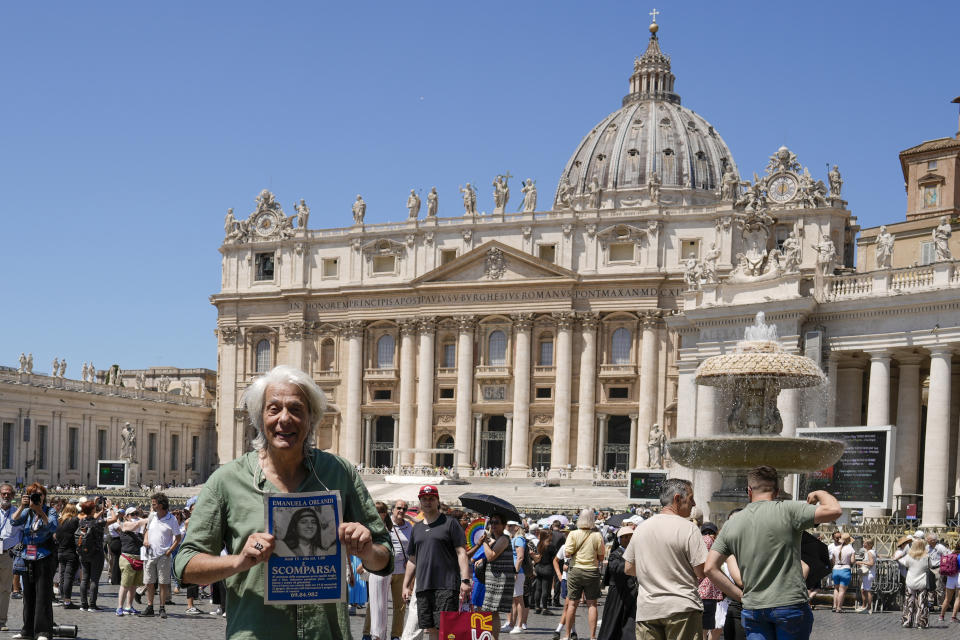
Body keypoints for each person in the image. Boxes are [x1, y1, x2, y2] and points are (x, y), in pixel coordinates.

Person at [175, 364, 393, 638]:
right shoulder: (226, 481)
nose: (284, 419)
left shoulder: (340, 473)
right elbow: (185, 566)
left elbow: (384, 558)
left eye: (296, 409)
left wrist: (366, 550)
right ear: (259, 417)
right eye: (274, 409)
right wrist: (239, 561)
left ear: (312, 418)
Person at [704, 465, 843, 640]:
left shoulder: (732, 523)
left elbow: (710, 568)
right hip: (790, 604)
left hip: (754, 607)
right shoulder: (789, 510)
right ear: (777, 491)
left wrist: (740, 595)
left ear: (749, 491)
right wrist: (819, 493)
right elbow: (835, 510)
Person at [624, 479, 707, 640]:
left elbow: (628, 567)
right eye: (690, 498)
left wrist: (653, 572)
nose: (694, 503)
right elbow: (701, 571)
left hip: (648, 609)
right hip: (682, 607)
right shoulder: (689, 528)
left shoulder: (642, 528)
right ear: (677, 498)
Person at [402, 485, 470, 640]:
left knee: (446, 630)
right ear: (420, 502)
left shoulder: (450, 523)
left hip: (446, 585)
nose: (427, 502)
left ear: (437, 501)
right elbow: (412, 559)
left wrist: (465, 580)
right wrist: (406, 585)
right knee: (430, 628)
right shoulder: (417, 528)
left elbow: (461, 553)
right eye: (424, 499)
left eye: (431, 498)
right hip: (424, 586)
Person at [12, 482, 58, 640]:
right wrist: (21, 506)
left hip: (43, 555)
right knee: (28, 594)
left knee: (42, 595)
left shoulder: (50, 510)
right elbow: (13, 521)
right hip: (27, 555)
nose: (37, 497)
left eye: (39, 494)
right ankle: (27, 630)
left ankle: (43, 631)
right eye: (33, 494)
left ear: (44, 496)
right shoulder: (27, 512)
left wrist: (40, 511)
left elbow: (52, 526)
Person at [560, 509, 604, 640]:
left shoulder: (573, 534)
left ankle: (567, 635)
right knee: (592, 604)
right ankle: (592, 636)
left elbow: (567, 554)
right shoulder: (597, 535)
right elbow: (601, 557)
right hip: (591, 570)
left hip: (576, 570)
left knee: (572, 604)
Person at [138, 492, 182, 619]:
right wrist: (145, 539)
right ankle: (150, 606)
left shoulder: (172, 519)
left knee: (163, 583)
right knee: (149, 582)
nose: (152, 506)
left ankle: (162, 607)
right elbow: (146, 530)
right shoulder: (152, 516)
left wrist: (169, 551)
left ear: (161, 505)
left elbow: (178, 538)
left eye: (154, 504)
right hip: (150, 554)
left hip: (164, 555)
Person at [598, 526, 637, 640]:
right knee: (613, 623)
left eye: (630, 537)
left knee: (630, 623)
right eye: (625, 537)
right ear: (619, 539)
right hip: (618, 594)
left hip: (632, 593)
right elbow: (616, 569)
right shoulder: (616, 554)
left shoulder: (637, 552)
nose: (628, 539)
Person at [479, 514, 515, 638]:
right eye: (492, 522)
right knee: (492, 611)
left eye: (496, 522)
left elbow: (491, 556)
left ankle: (494, 638)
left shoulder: (504, 539)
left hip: (499, 579)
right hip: (494, 578)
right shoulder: (497, 538)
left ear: (504, 525)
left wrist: (484, 542)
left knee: (493, 612)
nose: (493, 525)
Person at [76, 498, 111, 611]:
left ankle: (83, 604)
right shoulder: (98, 522)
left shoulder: (81, 520)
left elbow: (92, 517)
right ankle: (92, 605)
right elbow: (114, 519)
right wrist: (111, 508)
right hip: (96, 553)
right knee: (94, 580)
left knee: (85, 578)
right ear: (92, 510)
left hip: (84, 553)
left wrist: (98, 508)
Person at [365, 502, 393, 640]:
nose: (377, 513)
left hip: (379, 568)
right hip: (377, 568)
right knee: (377, 603)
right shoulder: (380, 528)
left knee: (378, 604)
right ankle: (379, 634)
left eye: (380, 511)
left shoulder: (382, 530)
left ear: (384, 513)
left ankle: (377, 635)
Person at [0, 484, 23, 631]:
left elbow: (23, 533)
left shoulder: (18, 513)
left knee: (5, 589)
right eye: (3, 494)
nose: (6, 496)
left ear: (13, 496)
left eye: (9, 494)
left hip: (7, 554)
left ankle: (2, 621)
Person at [389, 499, 413, 638]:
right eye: (398, 508)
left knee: (400, 606)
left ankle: (396, 635)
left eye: (404, 509)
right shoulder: (385, 524)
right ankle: (370, 633)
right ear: (392, 509)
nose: (401, 511)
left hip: (402, 571)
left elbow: (413, 547)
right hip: (385, 570)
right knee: (376, 604)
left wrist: (409, 559)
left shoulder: (409, 526)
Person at [117, 506, 145, 616]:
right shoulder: (126, 525)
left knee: (133, 585)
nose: (135, 516)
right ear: (127, 516)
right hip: (127, 557)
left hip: (138, 558)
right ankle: (119, 607)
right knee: (125, 584)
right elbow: (135, 525)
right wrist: (148, 519)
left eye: (136, 514)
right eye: (132, 514)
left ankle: (129, 606)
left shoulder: (140, 530)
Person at [699, 522, 724, 639]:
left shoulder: (699, 541)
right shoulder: (710, 541)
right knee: (706, 628)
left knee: (701, 628)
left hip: (699, 592)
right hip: (708, 593)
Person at [899, 539, 931, 629]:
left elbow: (904, 563)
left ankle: (907, 621)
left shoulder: (909, 556)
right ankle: (921, 622)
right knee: (922, 604)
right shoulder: (927, 557)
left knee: (909, 602)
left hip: (910, 581)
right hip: (922, 582)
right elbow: (931, 566)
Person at [54, 503, 80, 609]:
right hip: (71, 552)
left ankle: (64, 598)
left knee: (62, 576)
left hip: (60, 551)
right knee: (68, 576)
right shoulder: (73, 521)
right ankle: (67, 601)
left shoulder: (59, 521)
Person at [532, 527, 557, 615]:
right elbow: (555, 558)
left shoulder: (539, 544)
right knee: (546, 589)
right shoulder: (551, 546)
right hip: (548, 568)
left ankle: (537, 607)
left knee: (538, 589)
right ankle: (545, 608)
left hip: (539, 567)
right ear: (548, 536)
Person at [830, 532, 854, 613]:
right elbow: (852, 561)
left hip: (836, 569)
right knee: (842, 590)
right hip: (845, 569)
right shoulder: (850, 549)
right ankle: (839, 608)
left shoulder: (835, 548)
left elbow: (833, 561)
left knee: (836, 589)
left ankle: (834, 606)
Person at [937, 540, 960, 622]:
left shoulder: (951, 554)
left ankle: (941, 616)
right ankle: (953, 617)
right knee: (958, 598)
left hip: (950, 577)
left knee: (947, 599)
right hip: (959, 577)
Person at [926, 532, 950, 609]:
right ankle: (931, 604)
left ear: (933, 540)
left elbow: (947, 556)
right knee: (930, 587)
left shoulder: (940, 547)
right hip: (930, 568)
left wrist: (943, 566)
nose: (927, 540)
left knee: (939, 587)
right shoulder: (927, 547)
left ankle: (941, 605)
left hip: (938, 568)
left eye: (928, 539)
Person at [855, 538, 876, 614]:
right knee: (863, 590)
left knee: (867, 590)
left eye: (865, 543)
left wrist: (861, 562)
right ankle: (864, 606)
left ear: (869, 545)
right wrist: (863, 563)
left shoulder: (869, 552)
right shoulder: (871, 551)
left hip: (868, 573)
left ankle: (869, 608)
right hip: (869, 572)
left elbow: (871, 563)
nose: (863, 544)